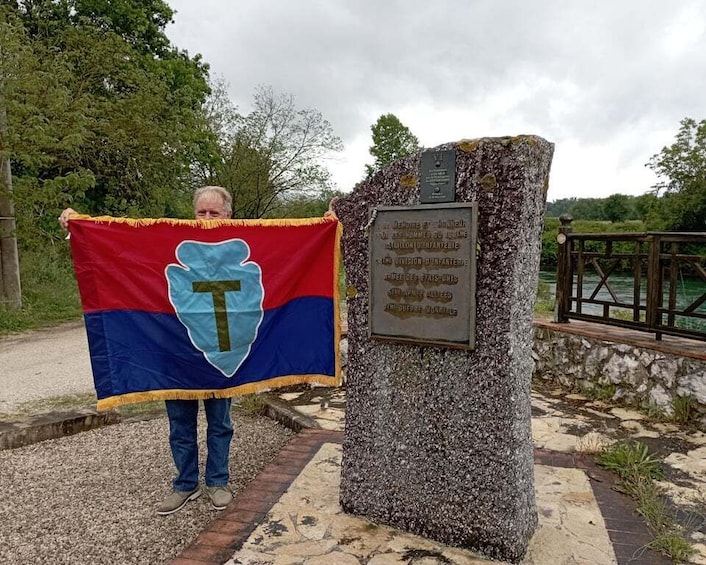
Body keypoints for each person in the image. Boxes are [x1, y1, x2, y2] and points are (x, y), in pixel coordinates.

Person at [59, 186, 237, 515]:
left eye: (215, 213)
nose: (208, 219)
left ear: (229, 215)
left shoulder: (246, 243)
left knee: (220, 422)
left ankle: (218, 481)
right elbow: (126, 246)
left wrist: (326, 227)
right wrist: (80, 226)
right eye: (202, 212)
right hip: (176, 350)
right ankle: (185, 484)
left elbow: (288, 251)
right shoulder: (170, 241)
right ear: (193, 213)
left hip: (220, 353)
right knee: (180, 423)